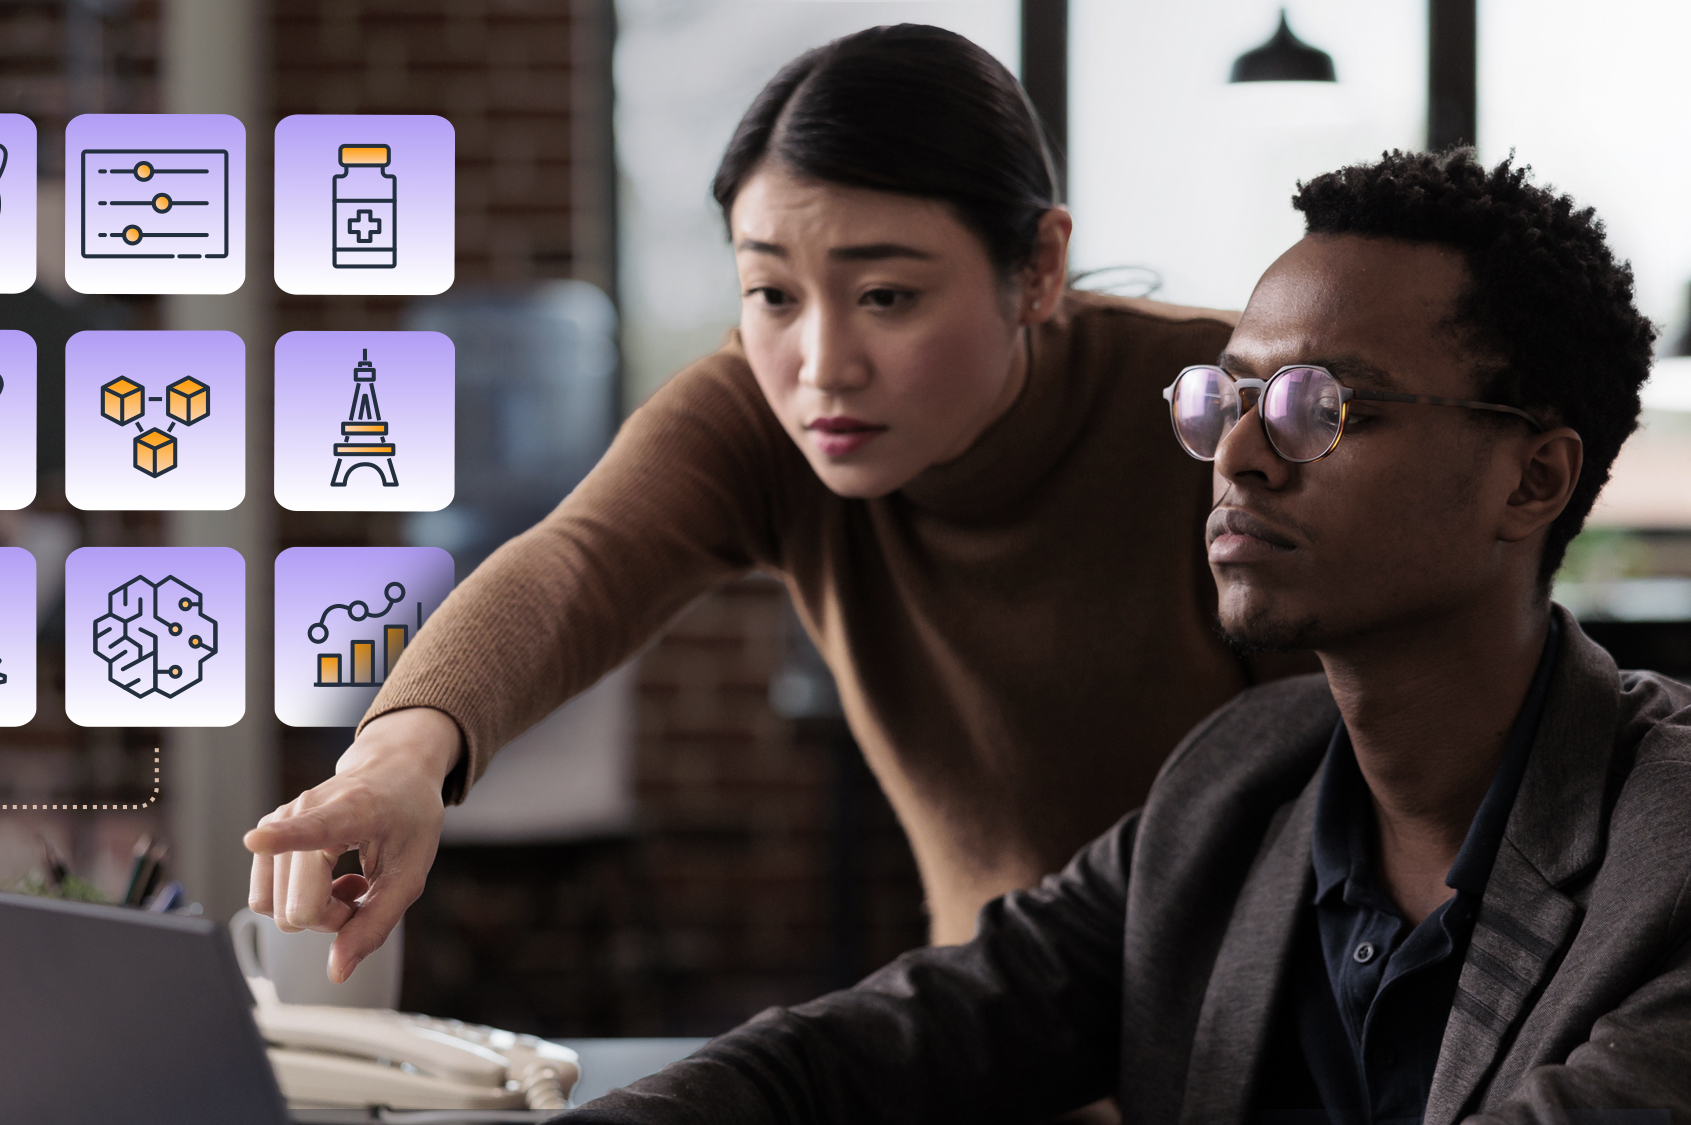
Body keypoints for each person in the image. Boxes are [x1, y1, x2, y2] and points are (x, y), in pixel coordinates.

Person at [546, 150, 1690, 1122]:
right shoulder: (1237, 784)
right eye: (1225, 400)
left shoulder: (1667, 856)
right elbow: (874, 1048)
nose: (1239, 458)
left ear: (1530, 479)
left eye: (1318, 408)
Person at [246, 24, 1307, 979]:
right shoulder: (764, 415)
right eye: (770, 294)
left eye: (885, 295)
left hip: (1276, 1043)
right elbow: (575, 565)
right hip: (1003, 1039)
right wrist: (396, 762)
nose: (822, 366)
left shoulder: (1212, 408)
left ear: (1035, 267)